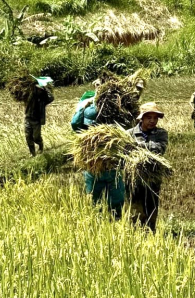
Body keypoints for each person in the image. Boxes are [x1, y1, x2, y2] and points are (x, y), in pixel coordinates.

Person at [71, 89, 126, 219]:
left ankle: (115, 221)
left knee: (116, 200)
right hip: (93, 169)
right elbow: (74, 123)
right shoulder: (84, 133)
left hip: (112, 168)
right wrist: (84, 105)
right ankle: (99, 222)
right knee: (94, 201)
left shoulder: (112, 131)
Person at [128, 102, 168, 233]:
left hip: (153, 177)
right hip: (134, 177)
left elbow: (159, 149)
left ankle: (150, 232)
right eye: (149, 117)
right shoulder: (129, 134)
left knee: (152, 205)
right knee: (134, 207)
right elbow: (125, 152)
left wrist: (136, 146)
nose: (152, 121)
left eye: (155, 118)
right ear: (141, 118)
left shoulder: (161, 134)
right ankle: (134, 233)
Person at [23, 77, 54, 156]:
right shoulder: (30, 96)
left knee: (36, 137)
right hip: (28, 118)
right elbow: (24, 91)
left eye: (40, 89)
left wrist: (46, 88)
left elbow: (52, 98)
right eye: (37, 89)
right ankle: (32, 153)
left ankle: (40, 145)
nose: (38, 90)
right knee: (28, 137)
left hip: (36, 121)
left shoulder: (43, 100)